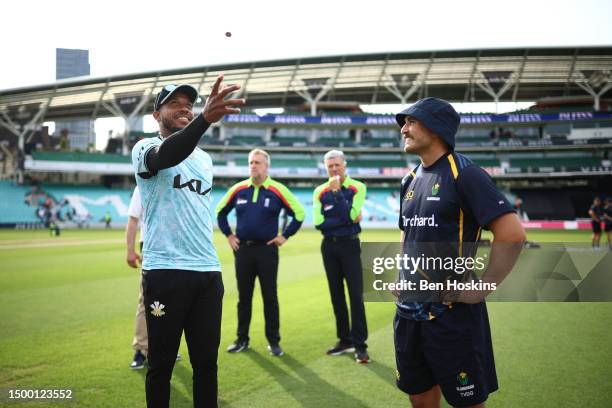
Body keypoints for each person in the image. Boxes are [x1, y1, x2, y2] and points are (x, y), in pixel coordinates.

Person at [394, 97, 525, 407]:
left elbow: (512, 234)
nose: (404, 129)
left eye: (411, 122)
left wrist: (482, 287)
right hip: (409, 314)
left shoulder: (465, 174)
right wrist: (402, 274)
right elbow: (407, 231)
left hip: (452, 316)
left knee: (467, 402)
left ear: (437, 128)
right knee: (420, 398)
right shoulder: (409, 181)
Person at [131, 76, 244, 408]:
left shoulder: (205, 160)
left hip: (208, 273)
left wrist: (200, 122)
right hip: (165, 271)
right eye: (174, 104)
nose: (184, 109)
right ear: (156, 115)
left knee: (207, 365)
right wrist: (204, 119)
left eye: (189, 105)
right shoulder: (143, 147)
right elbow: (167, 155)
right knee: (161, 366)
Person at [216, 149, 305, 357]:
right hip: (243, 251)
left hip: (267, 251)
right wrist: (229, 235)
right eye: (251, 162)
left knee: (269, 297)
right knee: (243, 298)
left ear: (266, 166)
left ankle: (274, 342)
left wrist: (285, 236)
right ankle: (241, 339)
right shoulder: (238, 189)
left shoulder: (277, 189)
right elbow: (220, 212)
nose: (253, 165)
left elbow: (299, 213)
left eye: (257, 162)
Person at [312, 150, 370, 364]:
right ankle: (345, 340)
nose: (334, 169)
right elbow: (319, 222)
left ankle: (360, 345)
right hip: (328, 247)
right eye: (330, 166)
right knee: (337, 296)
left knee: (356, 296)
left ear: (344, 165)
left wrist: (337, 196)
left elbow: (351, 216)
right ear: (326, 168)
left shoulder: (358, 187)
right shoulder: (319, 191)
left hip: (350, 245)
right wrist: (347, 219)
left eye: (337, 165)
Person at [125, 185, 181, 370]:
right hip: (151, 247)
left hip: (175, 248)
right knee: (146, 300)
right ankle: (141, 350)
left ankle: (167, 347)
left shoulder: (176, 184)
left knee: (173, 299)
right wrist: (130, 250)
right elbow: (133, 219)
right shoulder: (143, 185)